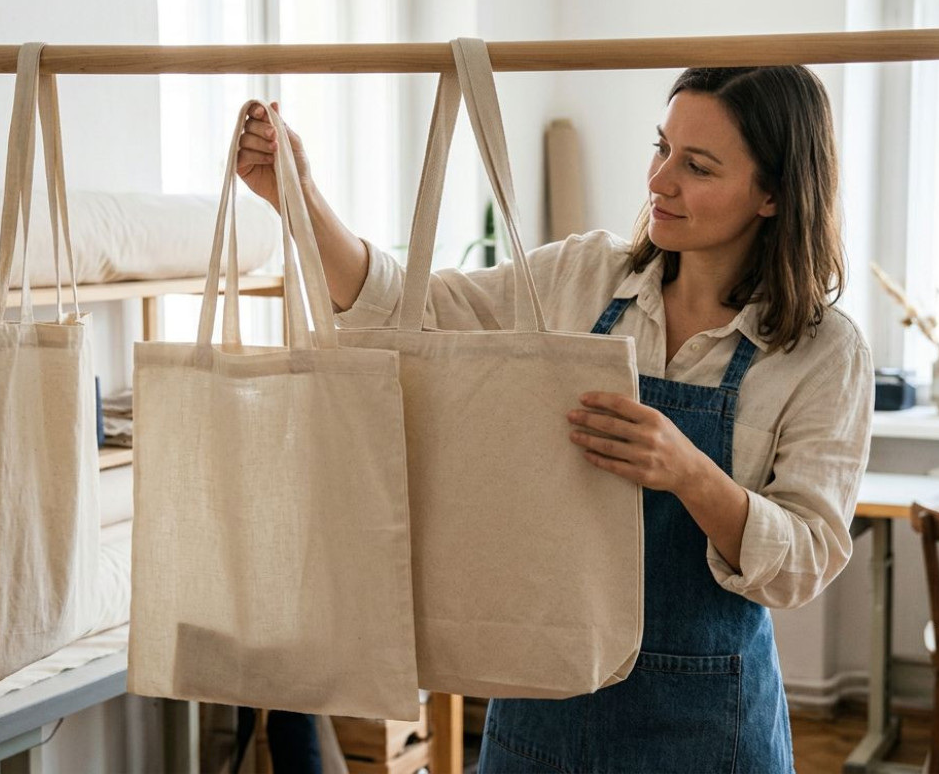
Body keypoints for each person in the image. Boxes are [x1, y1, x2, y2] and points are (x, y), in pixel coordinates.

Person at [236, 65, 873, 773]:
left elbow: (806, 561)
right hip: (541, 708)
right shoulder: (581, 278)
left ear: (774, 194)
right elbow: (408, 309)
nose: (660, 181)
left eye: (697, 166)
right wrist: (299, 200)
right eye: (661, 149)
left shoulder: (823, 351)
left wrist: (691, 474)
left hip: (704, 727)